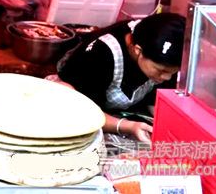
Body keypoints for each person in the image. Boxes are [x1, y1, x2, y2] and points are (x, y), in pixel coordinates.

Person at [56, 13, 186, 143]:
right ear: (138, 50)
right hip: (79, 110)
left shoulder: (167, 54)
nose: (167, 77)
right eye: (161, 70)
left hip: (125, 113)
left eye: (173, 72)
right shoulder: (101, 54)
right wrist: (128, 126)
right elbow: (85, 112)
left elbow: (156, 101)